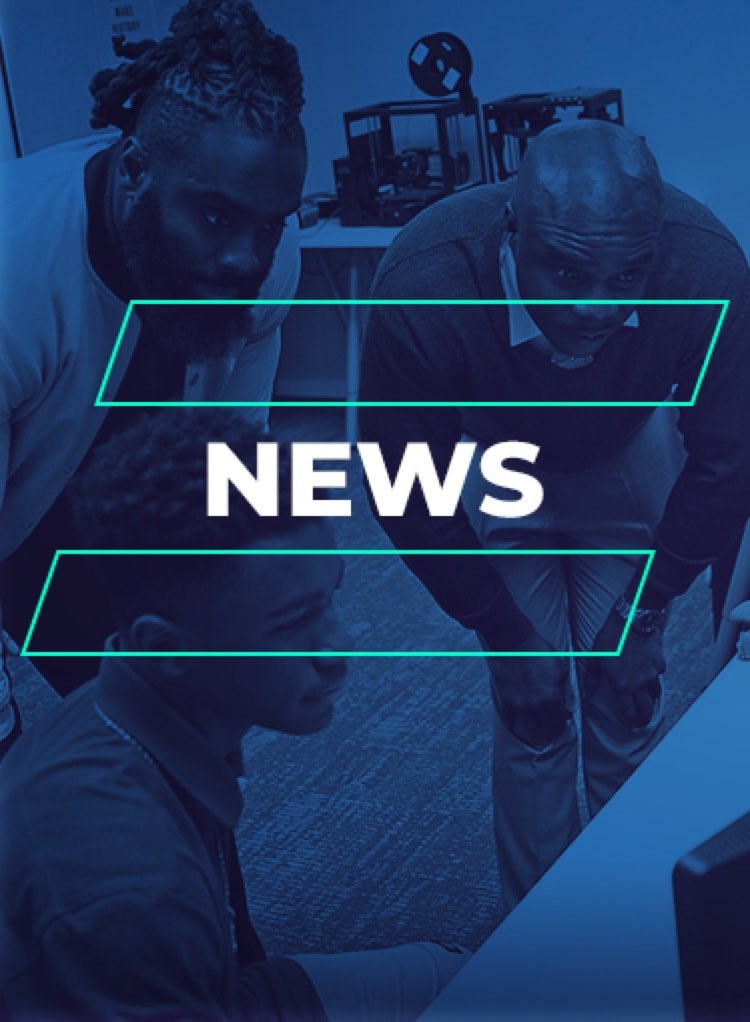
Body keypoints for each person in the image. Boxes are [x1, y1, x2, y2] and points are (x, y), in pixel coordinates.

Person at [359, 120, 750, 913]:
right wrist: (502, 633)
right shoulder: (426, 281)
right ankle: (540, 941)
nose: (594, 305)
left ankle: (637, 925)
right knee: (531, 708)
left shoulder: (704, 265)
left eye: (627, 274)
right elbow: (404, 485)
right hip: (501, 453)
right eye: (566, 268)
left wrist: (645, 618)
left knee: (625, 697)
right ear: (513, 231)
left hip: (628, 442)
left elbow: (725, 460)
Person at [0, 408, 468, 1021]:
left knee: (471, 976)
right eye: (292, 624)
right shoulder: (134, 891)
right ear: (165, 647)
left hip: (207, 986)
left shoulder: (127, 709)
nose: (339, 648)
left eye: (329, 597)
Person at [0, 0, 308, 722]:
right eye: (215, 217)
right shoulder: (16, 280)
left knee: (180, 716)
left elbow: (227, 461)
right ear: (135, 170)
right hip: (26, 495)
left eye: (268, 225)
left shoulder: (264, 255)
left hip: (97, 499)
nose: (244, 259)